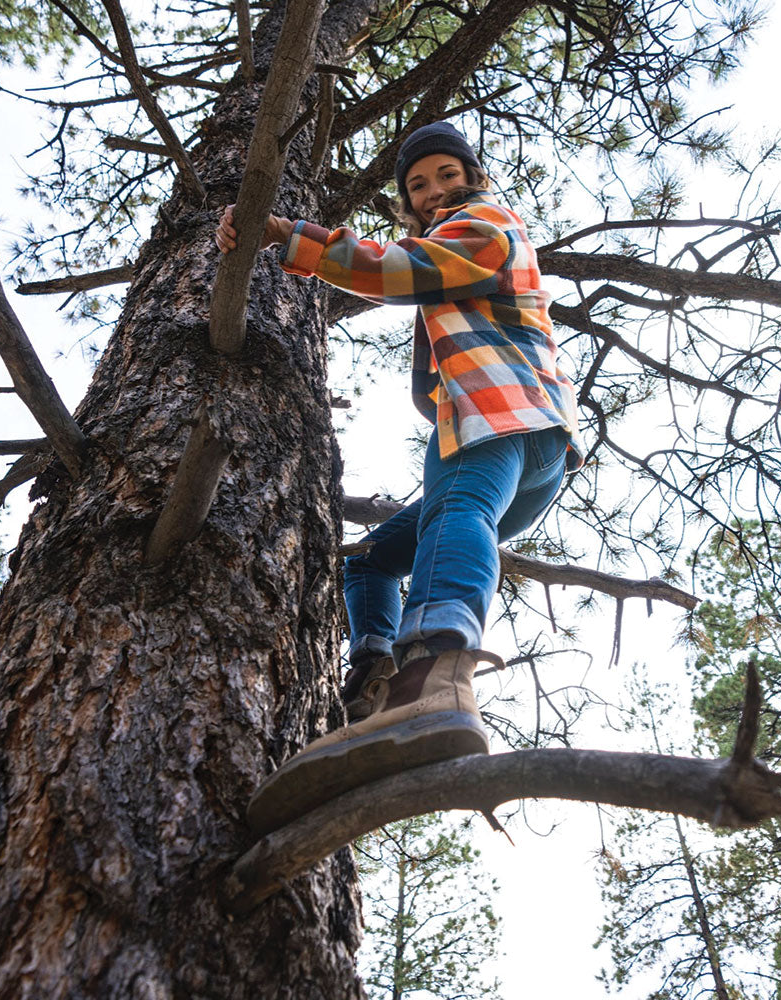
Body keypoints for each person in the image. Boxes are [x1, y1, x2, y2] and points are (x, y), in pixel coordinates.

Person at [216, 121, 585, 834]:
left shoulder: (485, 220)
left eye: (447, 174)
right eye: (419, 185)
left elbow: (397, 271)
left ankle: (434, 676)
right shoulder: (460, 232)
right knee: (375, 559)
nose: (434, 189)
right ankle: (375, 675)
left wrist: (287, 236)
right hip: (531, 448)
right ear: (408, 200)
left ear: (470, 176)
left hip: (499, 414)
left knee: (455, 515)